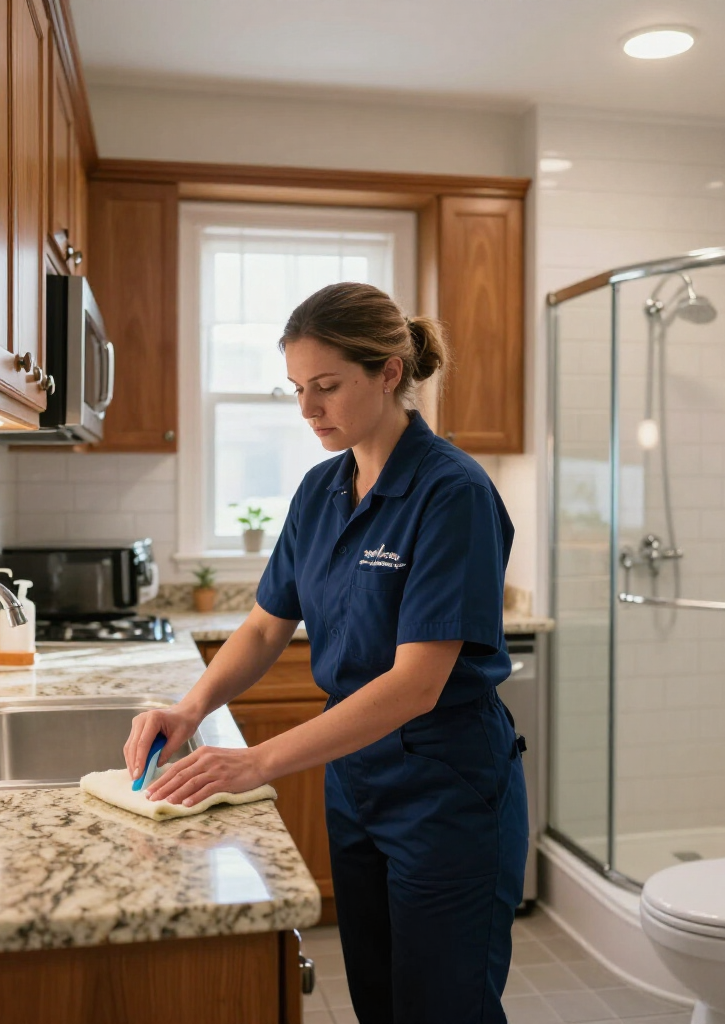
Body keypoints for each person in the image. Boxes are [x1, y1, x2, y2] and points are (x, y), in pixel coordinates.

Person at [123, 281, 528, 1023]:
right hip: (358, 783)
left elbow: (414, 686)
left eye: (327, 387)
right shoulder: (321, 489)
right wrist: (189, 710)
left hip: (446, 790)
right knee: (379, 1001)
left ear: (389, 373)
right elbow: (263, 628)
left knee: (443, 1010)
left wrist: (252, 763)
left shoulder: (453, 494)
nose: (308, 410)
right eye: (297, 390)